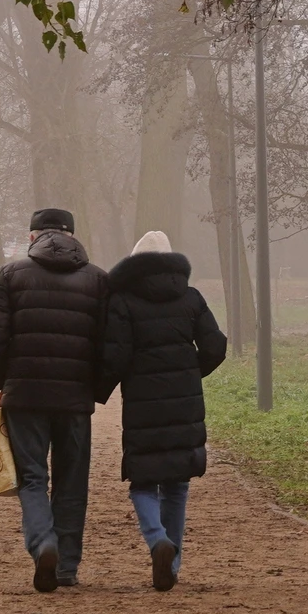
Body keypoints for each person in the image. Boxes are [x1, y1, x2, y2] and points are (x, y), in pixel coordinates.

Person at [0, 208, 105, 592]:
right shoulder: (99, 280)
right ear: (72, 236)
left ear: (32, 237)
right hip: (75, 399)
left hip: (25, 396)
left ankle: (42, 543)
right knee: (72, 482)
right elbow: (111, 340)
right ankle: (66, 567)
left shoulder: (9, 275)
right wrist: (96, 387)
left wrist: (3, 381)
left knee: (33, 478)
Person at [99, 231, 226, 591]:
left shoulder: (123, 301)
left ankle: (158, 541)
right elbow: (215, 346)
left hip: (142, 403)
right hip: (185, 402)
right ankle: (172, 565)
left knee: (142, 483)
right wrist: (190, 372)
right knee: (177, 487)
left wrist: (98, 390)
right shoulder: (191, 297)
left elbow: (115, 356)